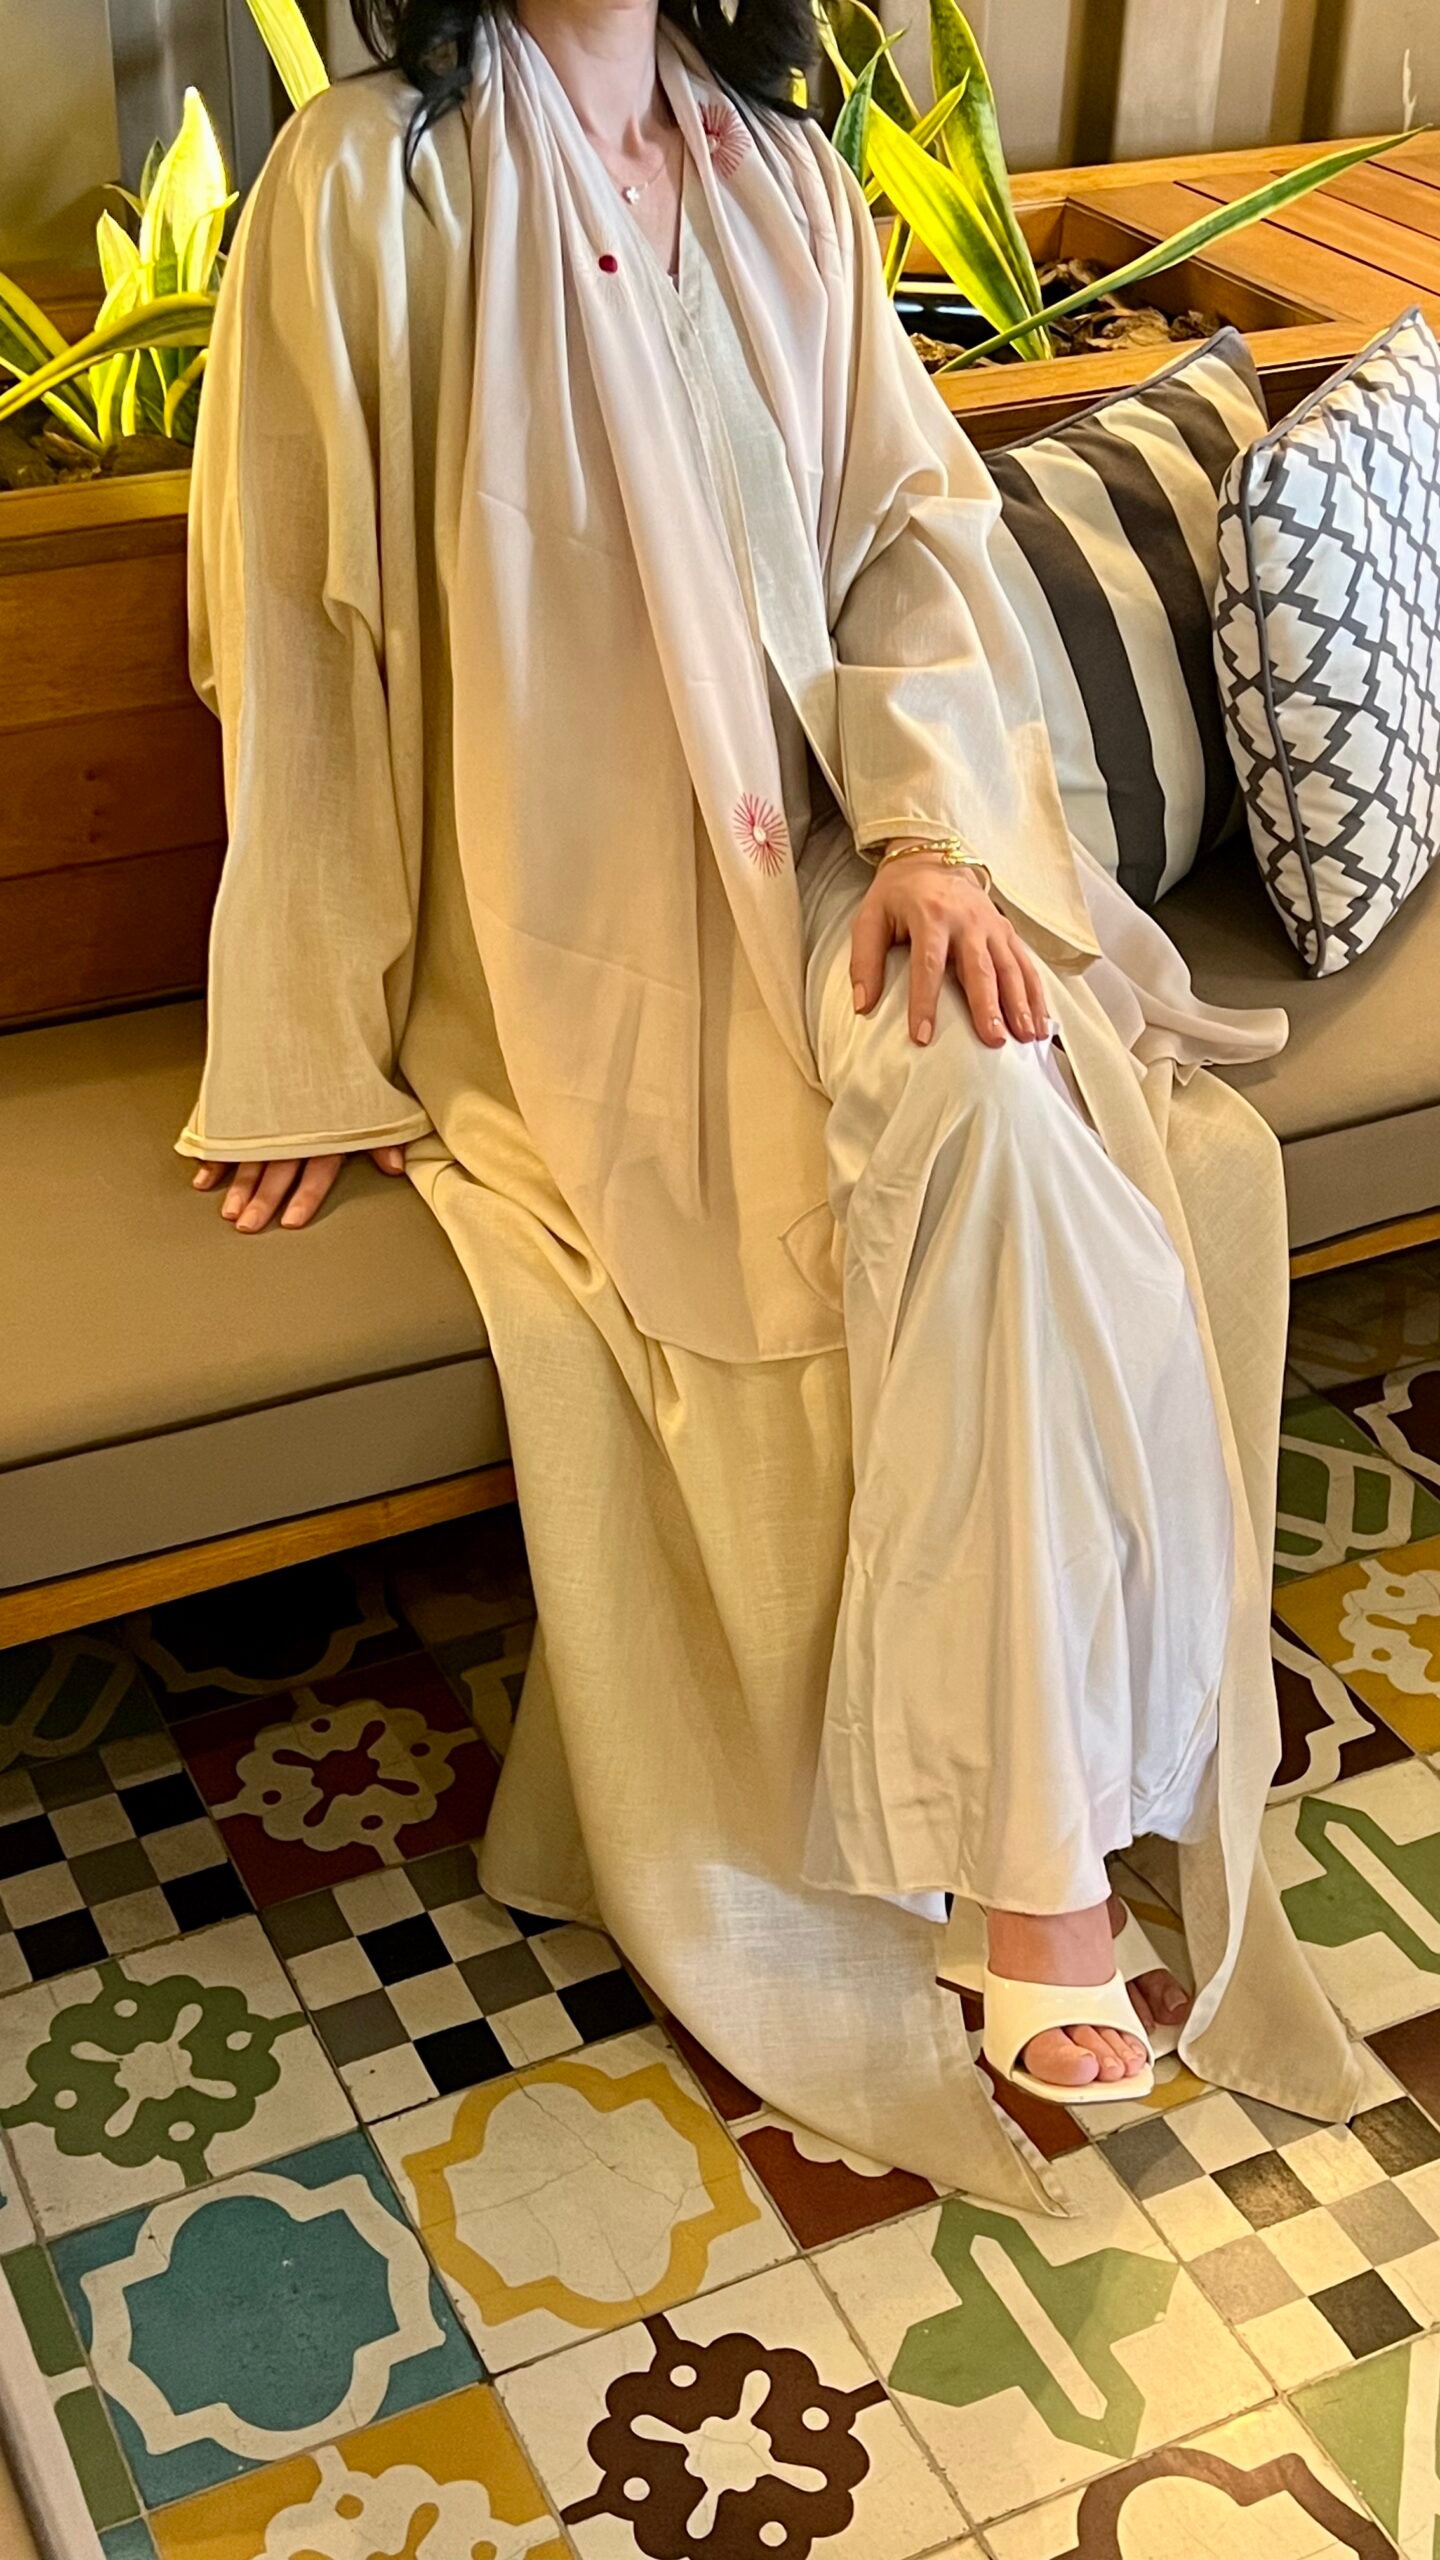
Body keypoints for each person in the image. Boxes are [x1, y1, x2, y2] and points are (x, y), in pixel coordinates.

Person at [178, 0, 1363, 2200]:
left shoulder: (788, 176)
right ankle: (1029, 1866)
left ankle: (1029, 1872)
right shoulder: (367, 184)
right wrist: (306, 1037)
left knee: (1006, 1099)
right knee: (854, 1200)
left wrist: (930, 827)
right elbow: (298, 626)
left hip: (844, 850)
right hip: (573, 918)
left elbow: (909, 537)